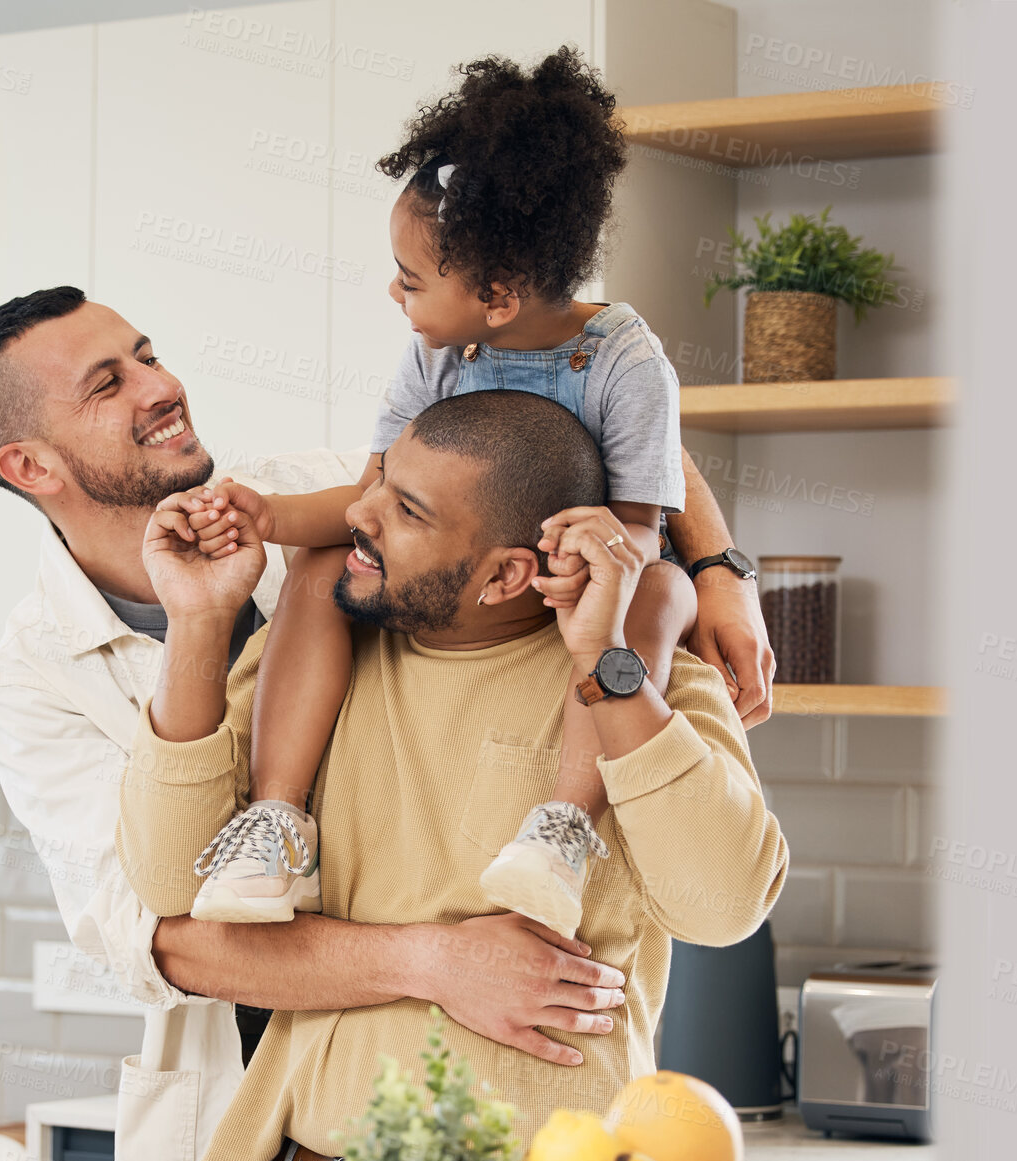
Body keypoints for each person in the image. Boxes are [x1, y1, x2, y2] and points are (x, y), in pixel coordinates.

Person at [0, 287, 643, 1161]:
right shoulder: (31, 682)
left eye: (148, 351)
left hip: (501, 1134)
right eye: (110, 384)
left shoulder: (329, 498)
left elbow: (592, 410)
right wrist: (437, 961)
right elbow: (171, 944)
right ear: (29, 464)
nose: (162, 385)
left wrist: (721, 572)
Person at [117, 388, 788, 1161]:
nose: (356, 512)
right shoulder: (311, 670)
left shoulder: (641, 683)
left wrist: (608, 668)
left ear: (506, 573)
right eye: (383, 480)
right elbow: (170, 884)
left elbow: (723, 906)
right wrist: (198, 621)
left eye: (404, 508)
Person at [177, 49, 773, 947]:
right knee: (319, 563)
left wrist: (592, 571)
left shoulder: (624, 362)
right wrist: (272, 516)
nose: (394, 292)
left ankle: (563, 828)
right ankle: (277, 821)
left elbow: (642, 531)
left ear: (495, 295)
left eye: (410, 280)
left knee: (663, 593)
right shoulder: (435, 352)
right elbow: (373, 495)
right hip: (462, 572)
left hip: (585, 575)